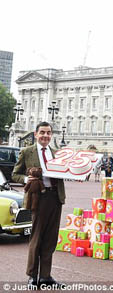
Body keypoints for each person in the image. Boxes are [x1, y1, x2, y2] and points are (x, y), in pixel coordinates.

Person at [12, 122, 66, 288]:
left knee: (50, 239)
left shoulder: (57, 153)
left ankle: (45, 276)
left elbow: (64, 172)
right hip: (38, 199)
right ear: (36, 134)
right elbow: (15, 174)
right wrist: (28, 179)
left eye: (48, 133)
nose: (45, 136)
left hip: (55, 198)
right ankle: (32, 275)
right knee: (36, 238)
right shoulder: (27, 152)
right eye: (42, 132)